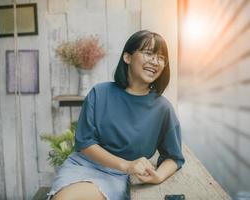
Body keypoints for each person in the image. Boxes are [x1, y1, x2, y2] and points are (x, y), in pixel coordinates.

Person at [47, 30, 185, 200]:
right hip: (82, 165)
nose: (155, 61)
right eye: (149, 53)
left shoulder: (163, 108)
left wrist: (159, 176)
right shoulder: (100, 92)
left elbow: (174, 157)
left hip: (118, 177)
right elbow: (85, 142)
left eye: (161, 57)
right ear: (127, 57)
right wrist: (126, 165)